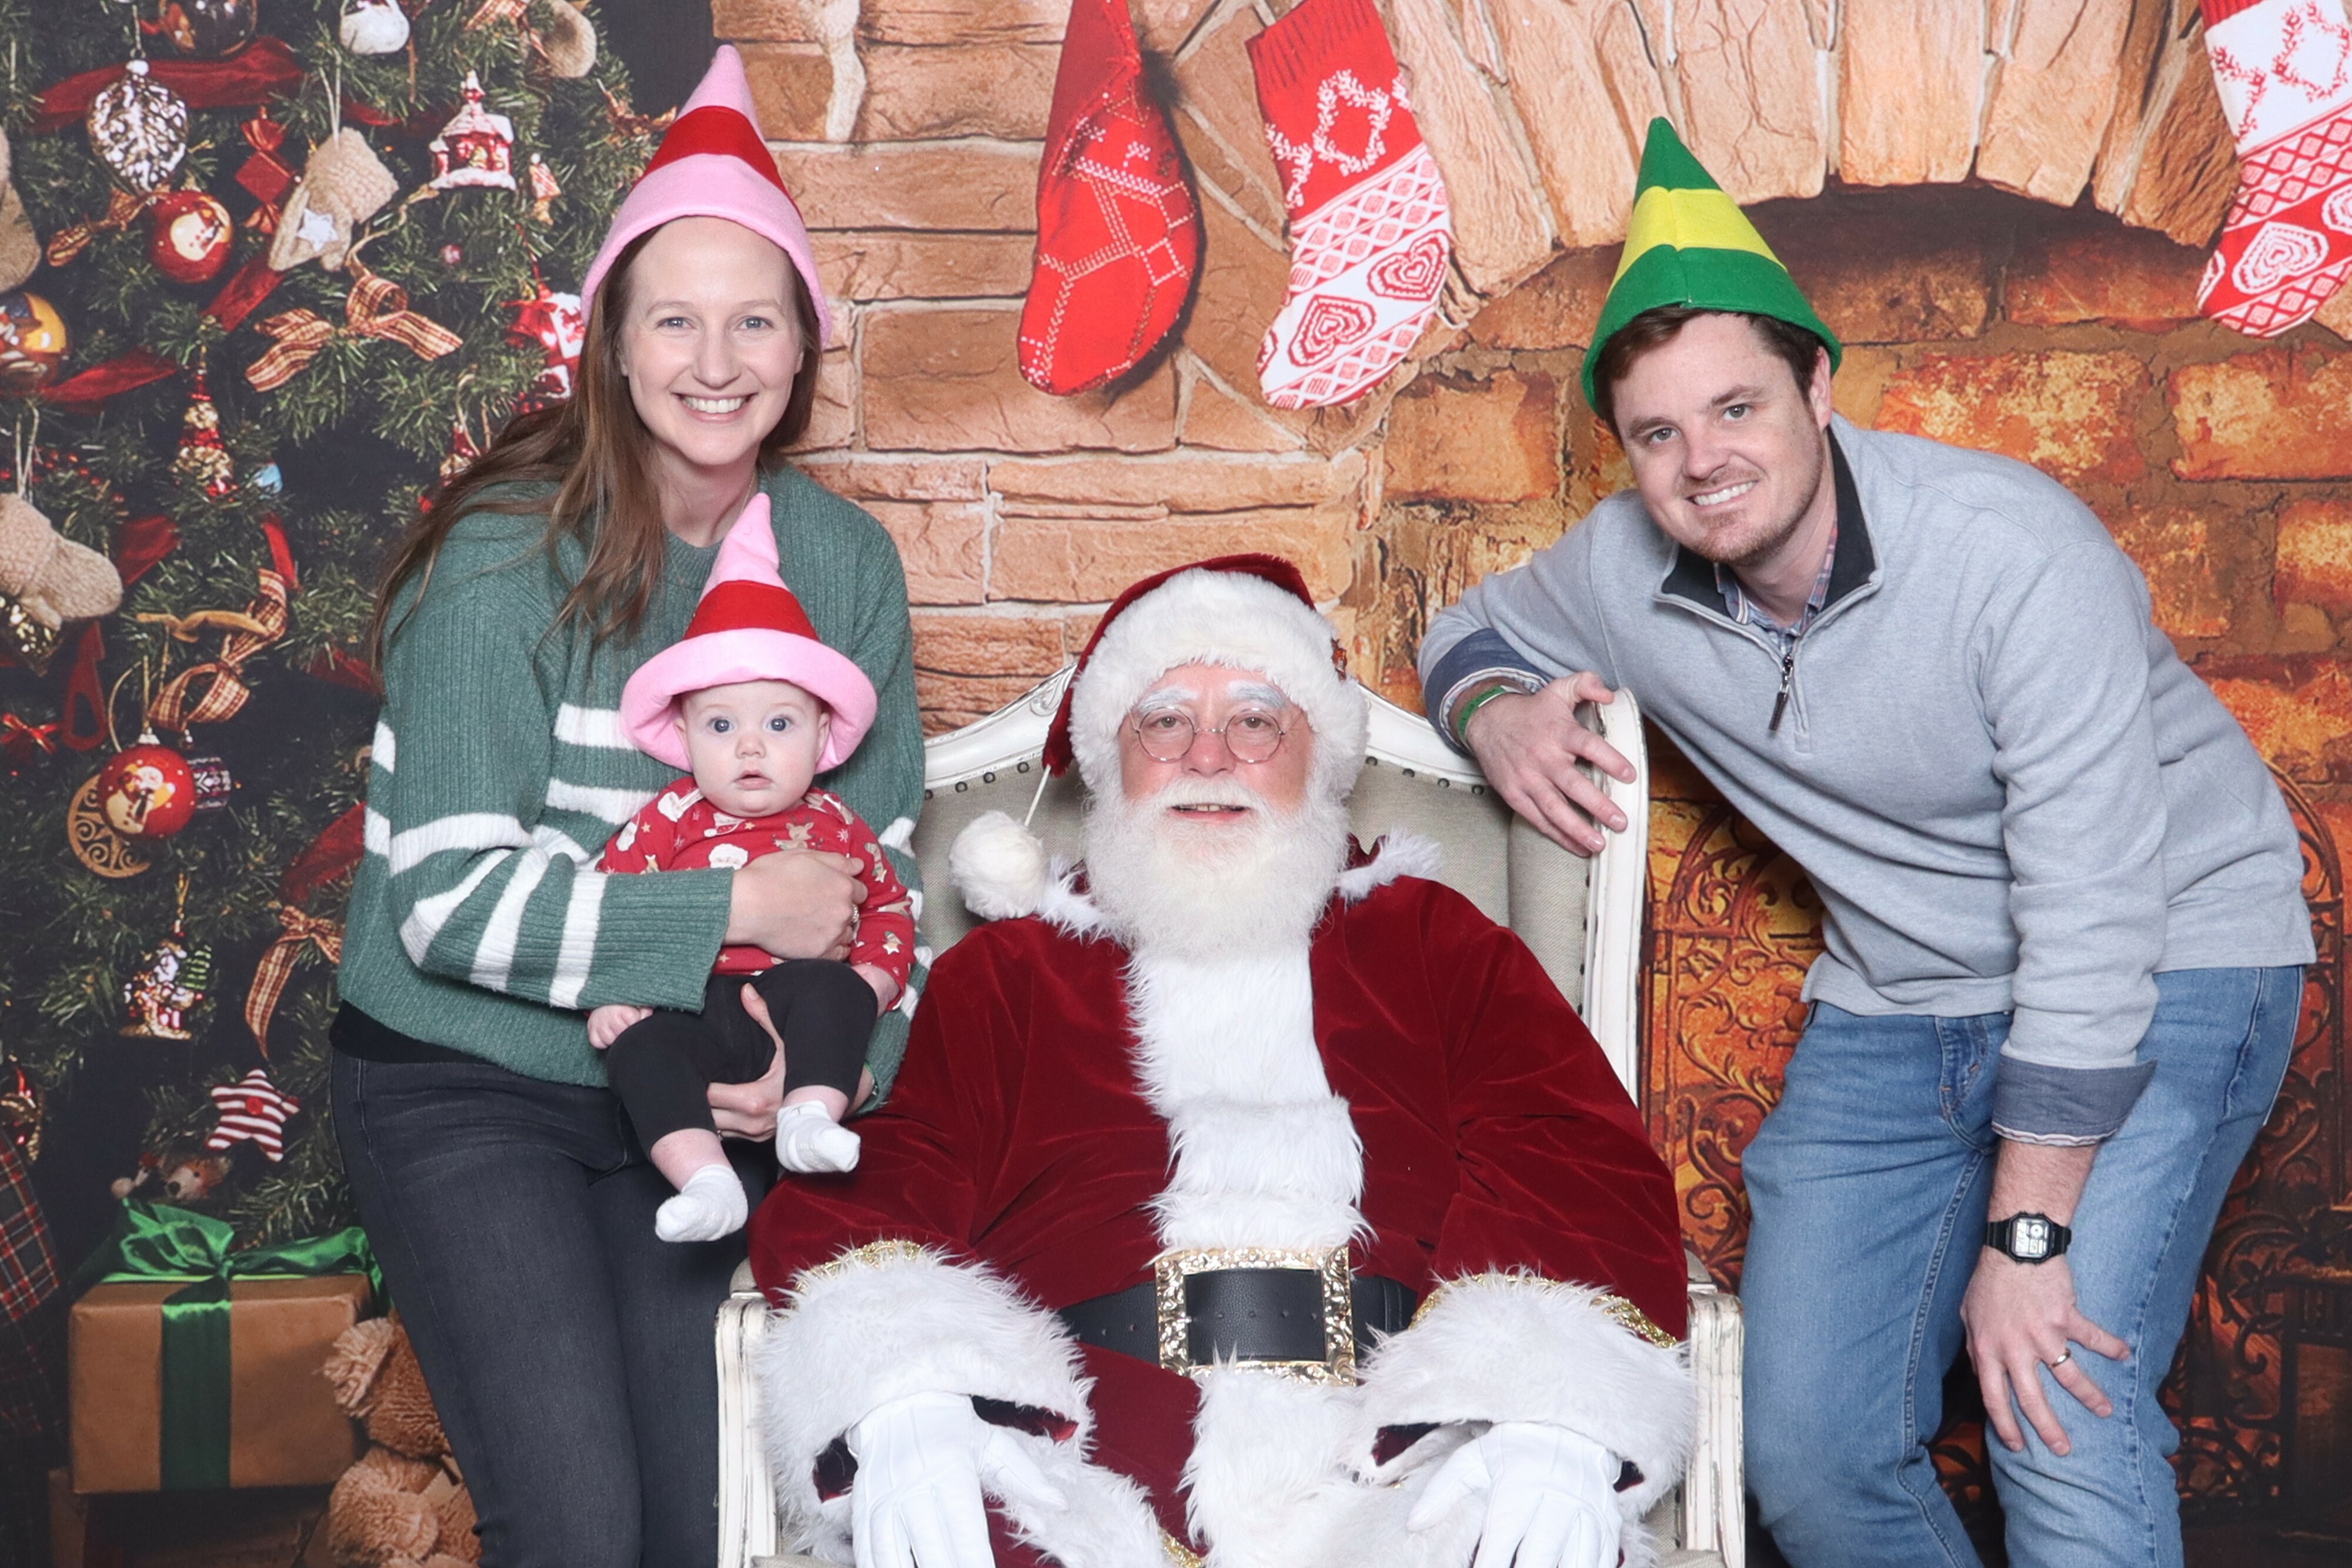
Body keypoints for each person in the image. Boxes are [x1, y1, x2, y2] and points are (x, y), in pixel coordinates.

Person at [1419, 119, 2313, 1568]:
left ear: (1817, 389)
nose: (1702, 463)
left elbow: (2092, 915)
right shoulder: (1620, 564)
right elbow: (1465, 629)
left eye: (1736, 408)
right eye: (1657, 434)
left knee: (2055, 1411)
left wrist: (2025, 1242)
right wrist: (1495, 710)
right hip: (1901, 997)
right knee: (1808, 1454)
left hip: (2166, 958)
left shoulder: (2012, 555)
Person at [748, 556, 1693, 1568]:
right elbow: (895, 1166)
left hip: (1398, 1468)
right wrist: (907, 1397)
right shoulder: (1010, 972)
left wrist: (1547, 1411)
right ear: (1112, 762)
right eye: (1163, 722)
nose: (1207, 756)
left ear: (1319, 754)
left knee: (1514, 1534)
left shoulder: (1433, 938)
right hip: (1086, 1462)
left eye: (1255, 720)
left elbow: (1571, 1156)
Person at [329, 48, 924, 1568]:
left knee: (708, 1518)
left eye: (754, 319)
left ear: (804, 343)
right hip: (466, 1075)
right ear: (610, 341)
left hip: (690, 1094)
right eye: (674, 318)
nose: (715, 361)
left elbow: (882, 883)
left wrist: (826, 1062)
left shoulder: (845, 567)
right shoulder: (500, 557)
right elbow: (445, 905)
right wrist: (736, 911)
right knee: (581, 1525)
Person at [589, 494, 919, 1241]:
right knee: (638, 1052)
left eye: (778, 723)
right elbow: (612, 904)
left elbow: (889, 907)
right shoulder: (669, 817)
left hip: (796, 1005)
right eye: (720, 724)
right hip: (689, 1007)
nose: (750, 747)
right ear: (682, 735)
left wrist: (875, 978)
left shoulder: (837, 823)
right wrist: (615, 995)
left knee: (836, 990)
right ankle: (705, 1181)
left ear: (821, 735)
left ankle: (810, 1117)